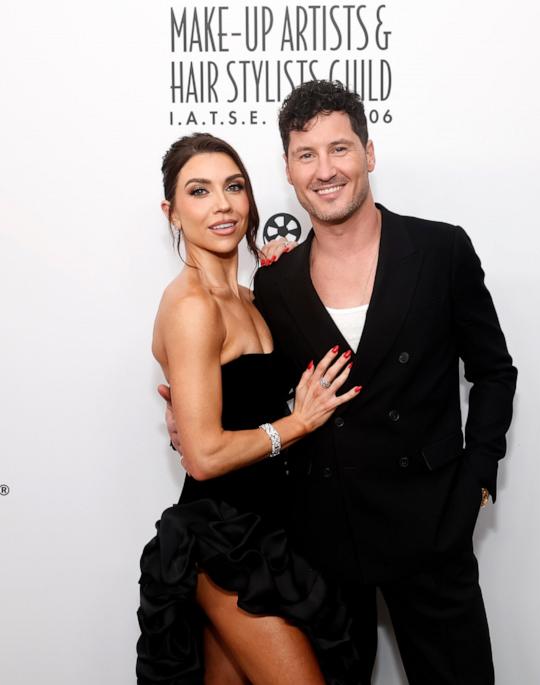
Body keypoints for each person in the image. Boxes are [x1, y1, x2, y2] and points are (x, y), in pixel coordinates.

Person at [164, 80, 517, 683]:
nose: (324, 170)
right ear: (288, 170)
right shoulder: (276, 284)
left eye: (340, 149)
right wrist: (194, 419)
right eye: (306, 155)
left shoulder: (440, 249)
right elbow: (256, 384)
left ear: (369, 154)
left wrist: (476, 479)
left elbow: (493, 371)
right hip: (320, 543)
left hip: (430, 529)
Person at [136, 132, 362, 685]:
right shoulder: (190, 306)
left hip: (273, 531)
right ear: (172, 211)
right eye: (199, 191)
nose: (222, 205)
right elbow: (206, 456)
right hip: (223, 538)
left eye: (234, 187)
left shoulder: (251, 296)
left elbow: (236, 405)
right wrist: (299, 422)